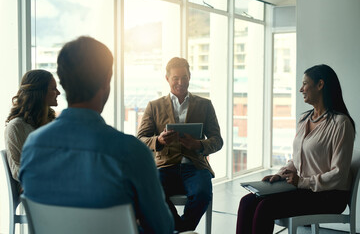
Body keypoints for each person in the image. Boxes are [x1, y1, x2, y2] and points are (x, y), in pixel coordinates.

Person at [19, 36, 174, 234]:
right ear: (107, 80)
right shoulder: (131, 152)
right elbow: (161, 228)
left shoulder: (33, 146)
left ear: (63, 83)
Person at [236, 64, 356, 234]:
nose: (301, 89)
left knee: (265, 208)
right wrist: (280, 174)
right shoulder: (304, 119)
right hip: (303, 189)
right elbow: (297, 159)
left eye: (305, 83)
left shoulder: (340, 123)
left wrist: (302, 182)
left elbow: (339, 174)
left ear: (320, 85)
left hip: (329, 195)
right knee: (247, 202)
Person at [137, 57, 223, 232]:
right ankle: (182, 230)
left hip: (195, 166)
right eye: (175, 78)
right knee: (151, 194)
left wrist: (198, 144)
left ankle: (178, 230)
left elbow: (217, 140)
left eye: (184, 77)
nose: (180, 82)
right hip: (164, 166)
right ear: (167, 78)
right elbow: (141, 139)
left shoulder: (205, 105)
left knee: (202, 194)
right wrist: (159, 141)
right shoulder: (154, 106)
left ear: (190, 76)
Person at [5, 69, 60, 183]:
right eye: (53, 89)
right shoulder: (16, 127)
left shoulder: (53, 123)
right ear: (40, 92)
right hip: (36, 191)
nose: (58, 92)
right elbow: (19, 171)